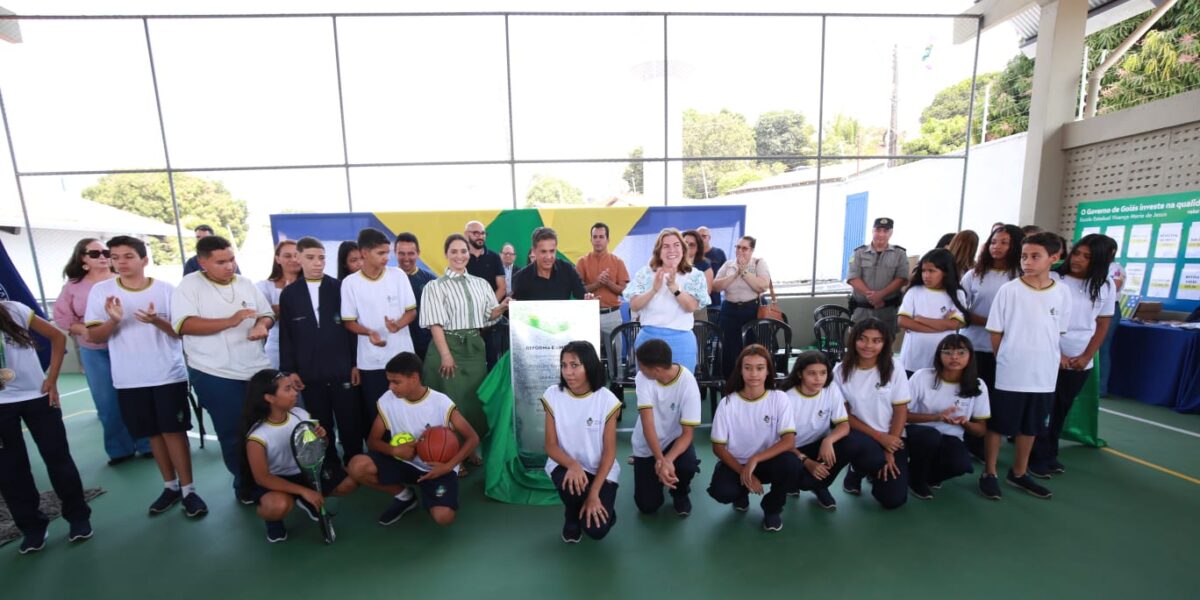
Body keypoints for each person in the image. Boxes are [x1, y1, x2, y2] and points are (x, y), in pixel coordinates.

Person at [86, 236, 207, 518]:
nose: (120, 262)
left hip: (167, 375)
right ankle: (170, 486)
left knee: (173, 431)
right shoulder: (101, 292)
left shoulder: (166, 290)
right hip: (129, 379)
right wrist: (113, 320)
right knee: (152, 433)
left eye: (128, 256)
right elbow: (94, 336)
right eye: (114, 257)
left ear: (144, 260)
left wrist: (156, 321)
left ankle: (189, 490)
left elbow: (179, 332)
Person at [172, 235, 275, 498]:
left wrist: (261, 326)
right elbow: (184, 325)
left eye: (231, 259)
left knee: (266, 427)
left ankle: (271, 477)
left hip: (254, 368)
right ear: (202, 262)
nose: (229, 266)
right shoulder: (188, 286)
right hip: (214, 373)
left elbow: (267, 314)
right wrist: (230, 321)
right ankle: (245, 484)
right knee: (232, 432)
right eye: (221, 262)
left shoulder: (245, 283)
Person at [980, 232, 1071, 501]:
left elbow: (1058, 332)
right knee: (998, 425)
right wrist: (1006, 358)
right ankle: (990, 472)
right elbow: (995, 332)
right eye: (1024, 256)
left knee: (1031, 426)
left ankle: (1019, 472)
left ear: (1054, 259)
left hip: (1043, 374)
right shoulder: (1009, 290)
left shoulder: (1062, 292)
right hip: (1011, 372)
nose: (1027, 262)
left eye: (1035, 256)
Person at [0, 298, 92, 554]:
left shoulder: (14, 310)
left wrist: (51, 379)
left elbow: (58, 338)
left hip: (38, 397)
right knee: (9, 470)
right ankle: (32, 528)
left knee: (57, 457)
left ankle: (78, 517)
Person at [348, 352, 480, 527]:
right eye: (389, 381)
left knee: (443, 518)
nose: (391, 387)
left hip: (438, 467)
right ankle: (405, 497)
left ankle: (432, 494)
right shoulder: (387, 400)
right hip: (405, 463)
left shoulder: (440, 402)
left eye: (396, 382)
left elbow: (472, 437)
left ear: (415, 378)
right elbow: (373, 441)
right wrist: (394, 450)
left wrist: (447, 466)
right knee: (357, 466)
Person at [53, 238, 149, 464]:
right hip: (95, 351)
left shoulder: (122, 281)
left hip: (127, 348)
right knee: (107, 402)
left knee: (137, 397)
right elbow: (62, 316)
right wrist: (86, 330)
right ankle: (119, 450)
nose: (103, 257)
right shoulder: (72, 287)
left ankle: (147, 443)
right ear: (83, 258)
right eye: (95, 254)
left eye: (106, 252)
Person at [1029, 234, 1117, 478]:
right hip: (1048, 354)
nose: (1077, 259)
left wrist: (1087, 355)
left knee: (1061, 410)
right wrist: (1058, 354)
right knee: (1043, 408)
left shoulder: (1106, 285)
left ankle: (1049, 453)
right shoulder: (1055, 279)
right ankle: (1033, 456)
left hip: (1080, 360)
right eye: (1077, 252)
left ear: (1100, 260)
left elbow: (1102, 325)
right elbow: (1040, 320)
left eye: (1087, 257)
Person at [239, 369, 358, 542]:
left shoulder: (300, 415)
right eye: (287, 389)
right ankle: (274, 521)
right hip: (277, 480)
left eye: (293, 388)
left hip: (306, 472)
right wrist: (304, 491)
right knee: (278, 506)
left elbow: (318, 447)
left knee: (349, 484)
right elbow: (263, 478)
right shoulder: (257, 436)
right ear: (269, 398)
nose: (295, 392)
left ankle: (306, 501)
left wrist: (322, 437)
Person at [420, 234, 509, 462]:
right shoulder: (434, 286)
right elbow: (435, 324)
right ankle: (449, 454)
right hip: (447, 347)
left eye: (463, 251)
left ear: (469, 254)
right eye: (454, 251)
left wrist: (503, 307)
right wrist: (446, 355)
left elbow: (488, 317)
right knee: (451, 402)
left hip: (474, 348)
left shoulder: (480, 284)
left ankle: (467, 451)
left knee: (473, 401)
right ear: (446, 255)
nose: (460, 256)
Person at [278, 237, 361, 464]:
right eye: (311, 258)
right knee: (320, 423)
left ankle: (355, 461)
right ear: (298, 258)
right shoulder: (289, 295)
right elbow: (286, 336)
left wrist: (355, 363)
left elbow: (351, 328)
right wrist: (290, 370)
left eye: (321, 258)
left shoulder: (339, 288)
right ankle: (330, 465)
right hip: (309, 374)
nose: (317, 263)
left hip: (342, 370)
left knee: (349, 421)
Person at [707, 344, 799, 532]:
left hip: (767, 461)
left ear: (768, 371)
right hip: (736, 463)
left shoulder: (779, 398)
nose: (754, 374)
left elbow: (789, 441)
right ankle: (741, 492)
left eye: (760, 368)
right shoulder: (728, 403)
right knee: (722, 492)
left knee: (792, 466)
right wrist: (743, 471)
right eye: (747, 368)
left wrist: (755, 460)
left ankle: (772, 509)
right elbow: (718, 448)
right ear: (740, 371)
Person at [341, 227, 417, 445]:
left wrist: (397, 325)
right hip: (371, 364)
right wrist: (369, 333)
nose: (387, 258)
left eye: (387, 253)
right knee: (379, 415)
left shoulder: (398, 275)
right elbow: (348, 322)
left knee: (407, 412)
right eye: (381, 253)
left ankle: (412, 458)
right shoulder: (350, 283)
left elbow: (411, 311)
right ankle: (384, 460)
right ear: (364, 253)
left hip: (403, 358)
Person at [542, 341, 621, 542]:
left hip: (600, 468)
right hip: (565, 463)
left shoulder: (607, 400)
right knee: (573, 486)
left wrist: (594, 493)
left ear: (590, 366)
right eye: (564, 365)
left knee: (597, 531)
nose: (568, 372)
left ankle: (604, 508)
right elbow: (550, 445)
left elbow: (610, 453)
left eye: (575, 365)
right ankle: (572, 515)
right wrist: (572, 465)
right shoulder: (553, 394)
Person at [780, 350, 874, 510]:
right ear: (800, 374)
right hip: (791, 450)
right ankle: (791, 483)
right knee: (802, 480)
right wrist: (805, 461)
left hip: (819, 446)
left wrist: (828, 440)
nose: (818, 378)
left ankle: (820, 485)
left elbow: (844, 425)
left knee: (853, 443)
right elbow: (782, 443)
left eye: (823, 373)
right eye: (812, 373)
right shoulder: (786, 399)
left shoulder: (830, 389)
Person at [960, 225, 1023, 461]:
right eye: (994, 241)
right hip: (974, 345)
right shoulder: (974, 275)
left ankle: (990, 444)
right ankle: (970, 443)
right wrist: (993, 324)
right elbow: (962, 310)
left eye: (1004, 242)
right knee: (973, 395)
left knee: (996, 399)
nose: (997, 247)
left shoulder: (1020, 276)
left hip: (1005, 349)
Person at [835, 318, 912, 510]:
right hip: (860, 435)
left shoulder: (894, 368)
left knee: (893, 500)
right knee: (870, 457)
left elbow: (900, 410)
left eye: (876, 340)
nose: (868, 345)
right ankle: (856, 470)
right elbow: (845, 415)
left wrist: (889, 447)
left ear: (885, 343)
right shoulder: (840, 370)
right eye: (863, 339)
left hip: (892, 437)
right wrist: (880, 437)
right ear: (853, 340)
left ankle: (876, 469)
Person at [905, 334, 990, 499]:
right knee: (930, 437)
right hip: (918, 433)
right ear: (939, 355)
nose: (954, 357)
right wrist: (936, 417)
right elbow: (902, 415)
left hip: (951, 436)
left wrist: (965, 423)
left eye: (961, 352)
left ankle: (927, 477)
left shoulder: (978, 385)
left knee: (962, 465)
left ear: (970, 356)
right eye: (948, 352)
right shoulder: (922, 377)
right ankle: (916, 480)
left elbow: (981, 430)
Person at [630, 339, 701, 517]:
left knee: (687, 465)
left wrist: (667, 460)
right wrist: (660, 459)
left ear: (657, 370)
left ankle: (680, 492)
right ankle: (657, 473)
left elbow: (687, 434)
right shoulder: (643, 378)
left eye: (642, 366)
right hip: (648, 445)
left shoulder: (687, 383)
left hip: (674, 441)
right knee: (647, 506)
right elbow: (648, 424)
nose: (639, 370)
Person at [623, 228, 710, 373]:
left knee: (680, 388)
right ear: (659, 251)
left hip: (681, 341)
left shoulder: (695, 275)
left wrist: (673, 287)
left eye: (676, 245)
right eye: (666, 246)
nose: (672, 250)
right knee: (649, 390)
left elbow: (691, 307)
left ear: (683, 249)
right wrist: (654, 290)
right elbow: (634, 305)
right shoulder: (645, 273)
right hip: (649, 340)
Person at [897, 248, 969, 376]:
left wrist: (921, 320)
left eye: (932, 271)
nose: (926, 275)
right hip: (913, 359)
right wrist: (942, 325)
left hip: (942, 359)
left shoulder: (957, 294)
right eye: (924, 271)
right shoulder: (914, 291)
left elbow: (954, 324)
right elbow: (903, 321)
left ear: (945, 272)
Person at [712, 236, 771, 378]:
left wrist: (744, 272)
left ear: (752, 250)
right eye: (738, 247)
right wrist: (735, 273)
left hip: (750, 310)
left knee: (751, 349)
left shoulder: (758, 263)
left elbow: (763, 286)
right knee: (728, 350)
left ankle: (750, 380)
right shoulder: (728, 264)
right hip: (729, 311)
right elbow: (715, 286)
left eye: (744, 248)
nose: (740, 251)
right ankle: (729, 382)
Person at [576, 222, 630, 360]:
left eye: (601, 236)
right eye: (595, 237)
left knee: (615, 356)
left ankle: (615, 381)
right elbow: (578, 291)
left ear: (608, 239)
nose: (598, 240)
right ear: (591, 240)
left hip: (612, 314)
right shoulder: (582, 262)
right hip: (589, 314)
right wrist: (597, 284)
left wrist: (608, 283)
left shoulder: (618, 262)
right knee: (587, 356)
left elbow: (623, 291)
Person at [847, 217, 909, 332]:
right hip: (862, 311)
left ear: (891, 233)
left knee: (886, 345)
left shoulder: (899, 254)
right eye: (878, 230)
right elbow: (853, 278)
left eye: (885, 231)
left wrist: (881, 295)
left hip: (887, 311)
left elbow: (902, 279)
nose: (881, 234)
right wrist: (872, 297)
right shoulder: (859, 252)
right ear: (872, 231)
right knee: (857, 343)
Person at [465, 221, 507, 370]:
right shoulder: (461, 259)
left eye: (483, 233)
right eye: (475, 233)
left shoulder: (494, 257)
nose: (480, 236)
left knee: (492, 364)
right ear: (466, 234)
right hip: (467, 322)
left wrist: (487, 311)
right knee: (470, 365)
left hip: (492, 322)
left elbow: (502, 287)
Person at [256, 240, 300, 369]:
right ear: (277, 259)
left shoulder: (314, 286)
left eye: (297, 255)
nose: (293, 259)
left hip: (311, 346)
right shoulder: (264, 286)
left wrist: (278, 308)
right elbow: (263, 314)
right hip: (277, 346)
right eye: (287, 256)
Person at [511, 227, 587, 301]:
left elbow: (582, 295)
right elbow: (515, 310)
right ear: (534, 251)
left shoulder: (567, 269)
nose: (548, 257)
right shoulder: (521, 278)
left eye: (552, 251)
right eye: (543, 251)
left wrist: (588, 298)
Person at [394, 232, 437, 362]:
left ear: (418, 253)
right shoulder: (387, 279)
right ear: (395, 253)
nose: (406, 258)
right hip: (396, 345)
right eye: (401, 253)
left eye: (411, 253)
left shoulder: (431, 280)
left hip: (426, 346)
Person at [698, 225, 727, 309]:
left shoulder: (719, 253)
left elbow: (727, 274)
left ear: (709, 238)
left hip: (715, 302)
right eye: (698, 236)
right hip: (696, 303)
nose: (700, 239)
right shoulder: (691, 255)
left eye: (703, 236)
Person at [682, 229, 714, 295]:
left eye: (692, 244)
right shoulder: (674, 263)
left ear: (698, 248)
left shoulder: (705, 266)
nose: (687, 246)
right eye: (685, 243)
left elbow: (706, 293)